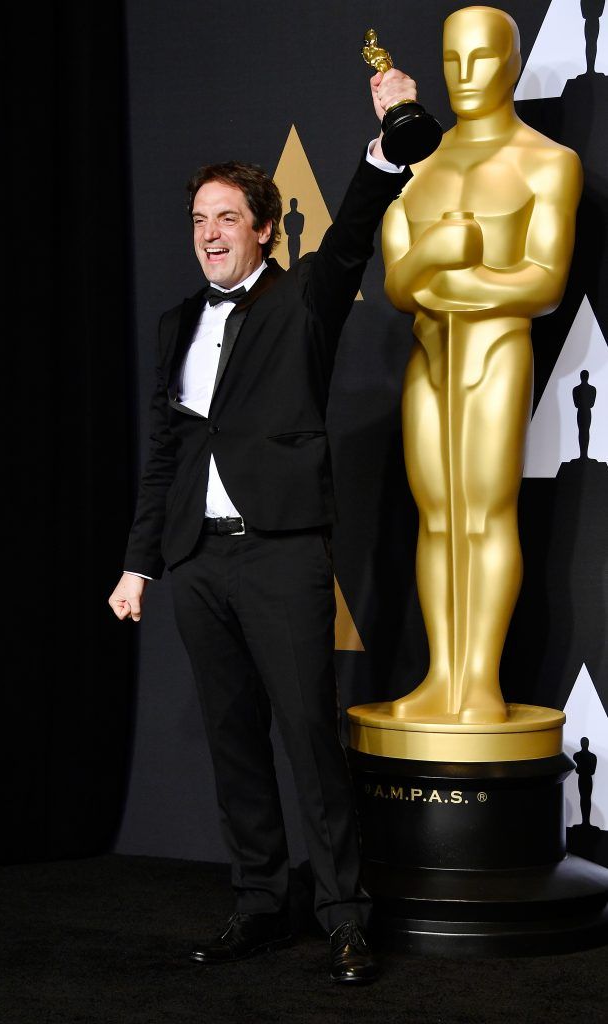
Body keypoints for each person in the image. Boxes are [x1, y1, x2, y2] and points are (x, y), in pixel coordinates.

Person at [108, 68, 416, 983]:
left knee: (308, 743)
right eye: (199, 220)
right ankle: (257, 905)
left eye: (227, 218)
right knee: (233, 742)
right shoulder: (175, 325)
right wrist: (139, 567)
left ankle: (344, 917)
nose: (209, 234)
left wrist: (385, 141)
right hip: (197, 563)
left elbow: (356, 228)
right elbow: (163, 455)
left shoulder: (303, 301)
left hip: (282, 555)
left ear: (266, 228)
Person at [381, 6, 581, 724]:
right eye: (451, 61)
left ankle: (480, 682)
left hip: (496, 354)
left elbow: (542, 282)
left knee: (487, 514)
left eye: (483, 60)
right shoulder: (420, 164)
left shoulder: (548, 163)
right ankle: (442, 677)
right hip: (430, 357)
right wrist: (440, 256)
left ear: (512, 62)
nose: (465, 77)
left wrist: (444, 276)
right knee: (436, 518)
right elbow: (400, 285)